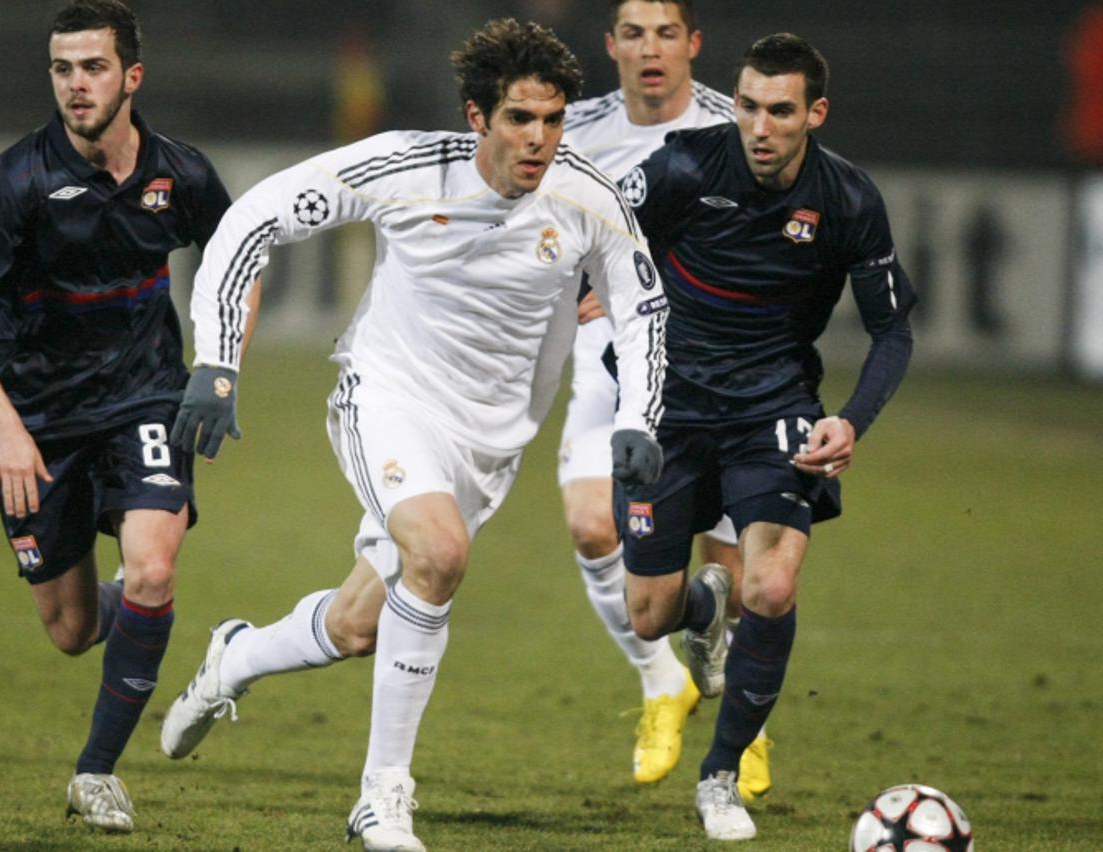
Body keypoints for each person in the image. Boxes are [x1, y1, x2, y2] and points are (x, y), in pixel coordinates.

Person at [158, 19, 668, 852]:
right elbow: (251, 221)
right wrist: (216, 362)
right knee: (438, 554)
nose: (538, 139)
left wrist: (638, 417)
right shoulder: (405, 166)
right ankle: (382, 799)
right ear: (477, 118)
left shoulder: (587, 197)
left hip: (491, 445)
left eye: (552, 120)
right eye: (518, 119)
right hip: (388, 397)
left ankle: (235, 657)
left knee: (361, 625)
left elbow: (644, 311)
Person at [0, 0, 233, 833]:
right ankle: (138, 611)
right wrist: (8, 430)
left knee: (154, 568)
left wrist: (218, 364)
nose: (76, 85)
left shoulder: (183, 174)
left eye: (93, 67)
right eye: (63, 68)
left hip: (143, 400)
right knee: (70, 630)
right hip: (38, 422)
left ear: (131, 77)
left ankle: (96, 773)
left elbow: (234, 261)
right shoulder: (17, 181)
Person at [616, 33, 915, 841]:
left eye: (780, 111)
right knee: (647, 617)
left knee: (772, 588)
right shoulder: (682, 168)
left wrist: (850, 420)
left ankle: (720, 776)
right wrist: (611, 337)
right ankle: (702, 601)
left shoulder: (848, 198)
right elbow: (604, 242)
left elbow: (892, 331)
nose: (759, 125)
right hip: (668, 407)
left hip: (771, 409)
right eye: (747, 105)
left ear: (813, 114)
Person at [556, 0, 770, 796]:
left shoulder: (737, 124)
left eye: (667, 33)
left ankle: (747, 731)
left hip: (715, 365)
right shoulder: (571, 127)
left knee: (732, 566)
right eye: (635, 34)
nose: (651, 50)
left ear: (693, 45)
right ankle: (661, 681)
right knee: (589, 522)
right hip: (607, 358)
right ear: (610, 46)